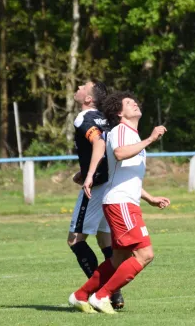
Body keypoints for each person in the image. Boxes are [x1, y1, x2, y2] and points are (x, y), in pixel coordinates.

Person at [68, 91, 170, 314]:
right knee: (145, 255)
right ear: (118, 112)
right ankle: (102, 296)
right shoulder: (121, 130)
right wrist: (151, 139)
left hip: (125, 202)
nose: (135, 103)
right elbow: (120, 153)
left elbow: (125, 175)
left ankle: (80, 295)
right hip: (121, 204)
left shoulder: (132, 134)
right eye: (128, 103)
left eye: (135, 101)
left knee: (118, 259)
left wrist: (150, 198)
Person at [67, 80, 124, 309]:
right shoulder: (106, 119)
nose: (78, 87)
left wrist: (89, 175)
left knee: (75, 240)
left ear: (88, 99)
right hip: (111, 185)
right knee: (104, 241)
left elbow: (98, 145)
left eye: (82, 86)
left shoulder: (84, 117)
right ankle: (114, 293)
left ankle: (100, 292)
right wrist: (85, 171)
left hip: (97, 187)